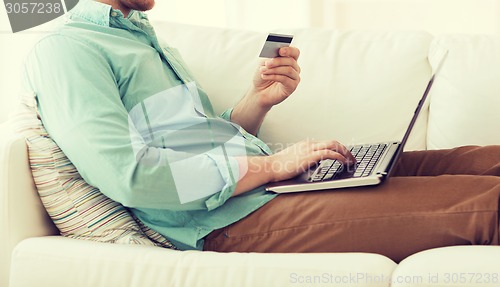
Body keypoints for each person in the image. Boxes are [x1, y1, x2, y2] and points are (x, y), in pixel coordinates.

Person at [22, 0, 500, 263]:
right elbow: (128, 175)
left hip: (267, 185)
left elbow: (194, 141)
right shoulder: (70, 50)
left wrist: (258, 101)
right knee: (487, 205)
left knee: (482, 161)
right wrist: (273, 164)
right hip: (228, 220)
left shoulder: (141, 35)